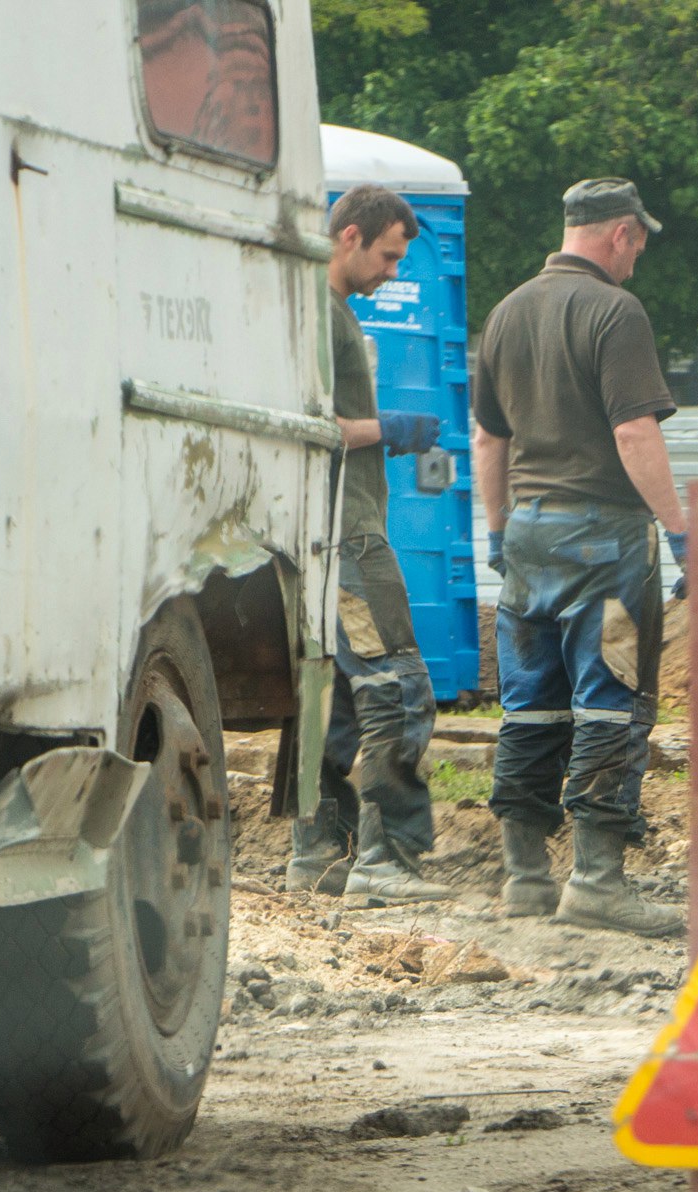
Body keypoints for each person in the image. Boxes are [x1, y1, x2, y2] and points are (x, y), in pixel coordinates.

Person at [471, 178, 689, 937]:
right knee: (611, 701)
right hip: (605, 541)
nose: (636, 262)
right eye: (638, 246)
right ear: (621, 233)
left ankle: (526, 878)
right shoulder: (615, 312)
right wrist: (680, 530)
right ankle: (596, 881)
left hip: (528, 535)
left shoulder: (506, 312)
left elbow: (488, 439)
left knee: (529, 705)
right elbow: (634, 433)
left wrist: (498, 531)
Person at [288, 183, 453, 904]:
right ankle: (386, 860)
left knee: (337, 701)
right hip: (350, 534)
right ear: (349, 236)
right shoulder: (319, 314)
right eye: (387, 256)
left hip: (321, 531)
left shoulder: (330, 311)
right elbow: (310, 425)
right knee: (400, 689)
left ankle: (320, 853)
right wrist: (392, 428)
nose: (393, 272)